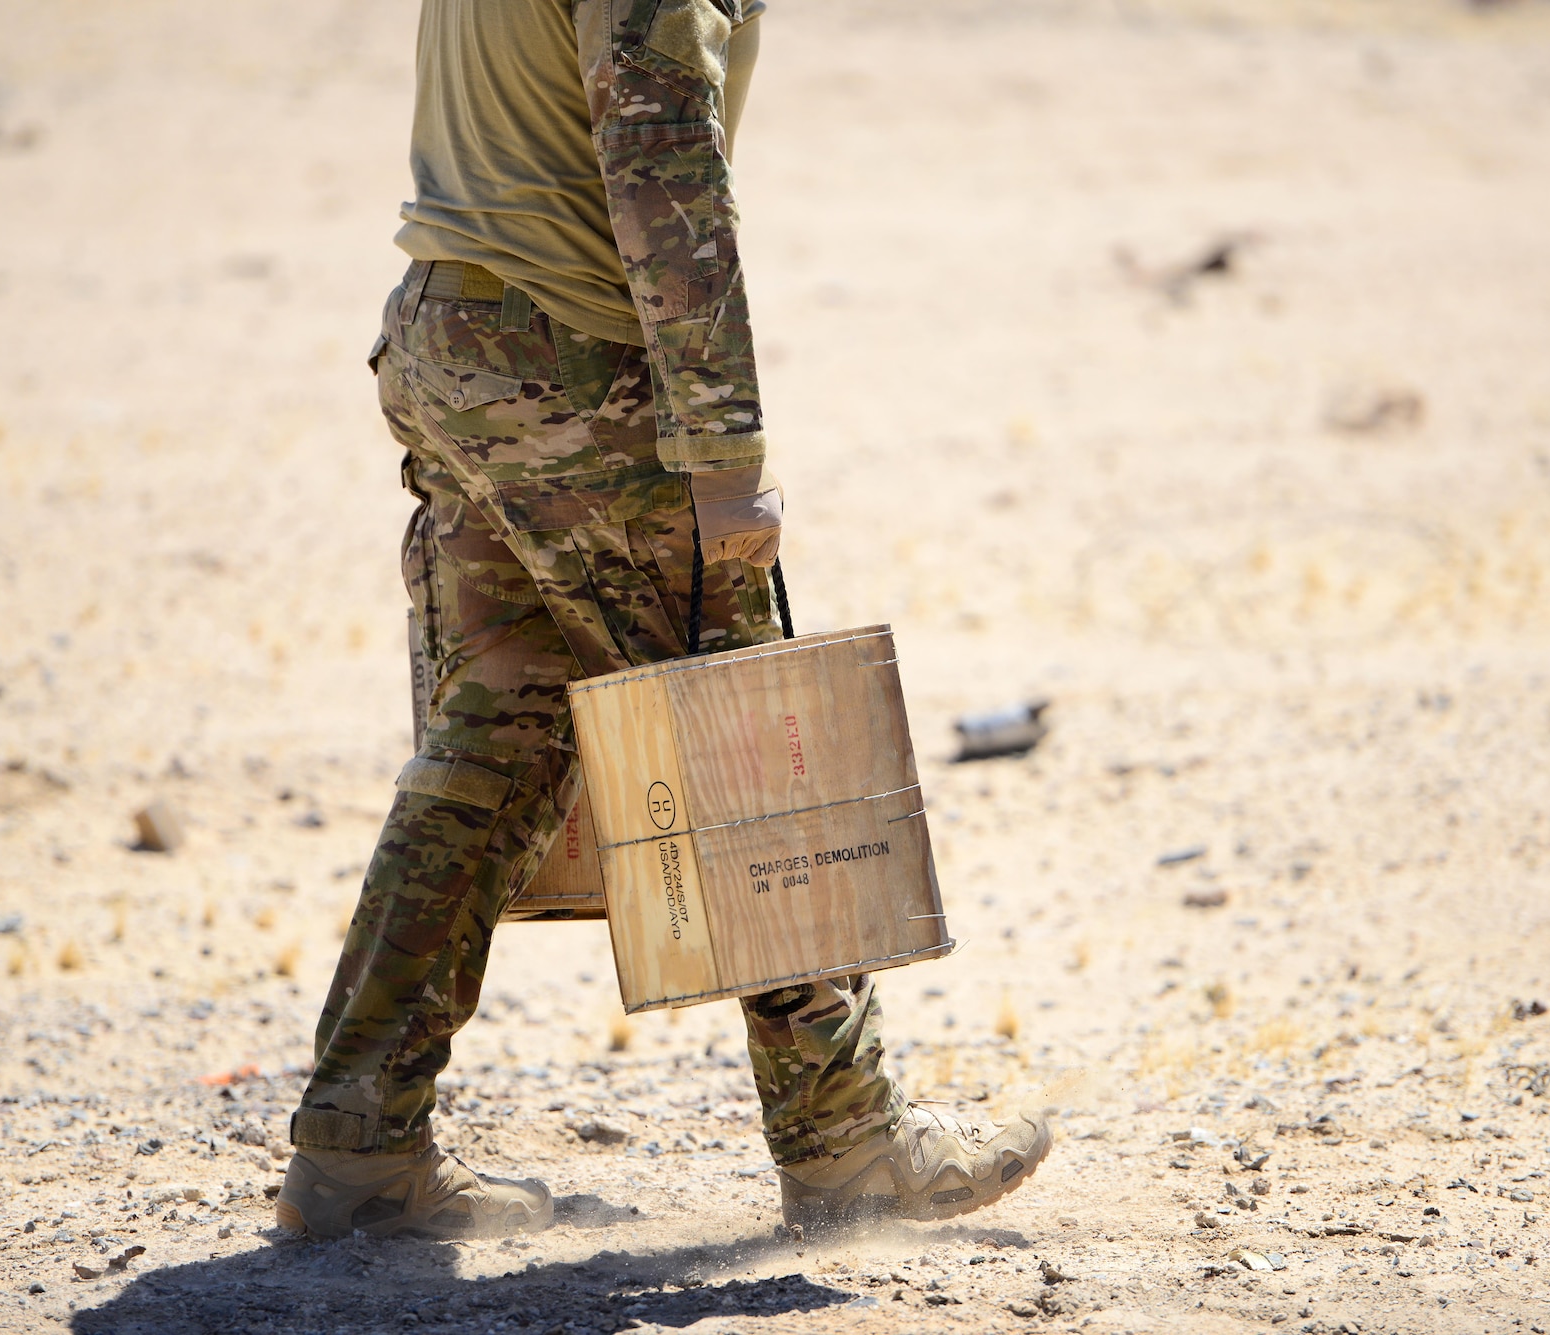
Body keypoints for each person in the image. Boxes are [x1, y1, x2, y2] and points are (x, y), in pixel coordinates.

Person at [275, 0, 1051, 1241]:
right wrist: (722, 442)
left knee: (497, 736)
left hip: (450, 330)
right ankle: (847, 1143)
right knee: (739, 734)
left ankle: (357, 1141)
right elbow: (660, 157)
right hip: (574, 357)